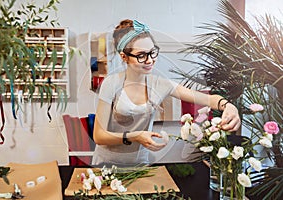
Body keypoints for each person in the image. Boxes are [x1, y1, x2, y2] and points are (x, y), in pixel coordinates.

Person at [91, 19, 241, 166]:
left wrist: (228, 106)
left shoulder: (161, 84)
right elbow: (99, 135)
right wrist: (135, 136)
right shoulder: (111, 84)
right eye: (141, 55)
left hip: (141, 165)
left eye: (152, 52)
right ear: (124, 57)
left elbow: (209, 99)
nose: (150, 60)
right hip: (107, 166)